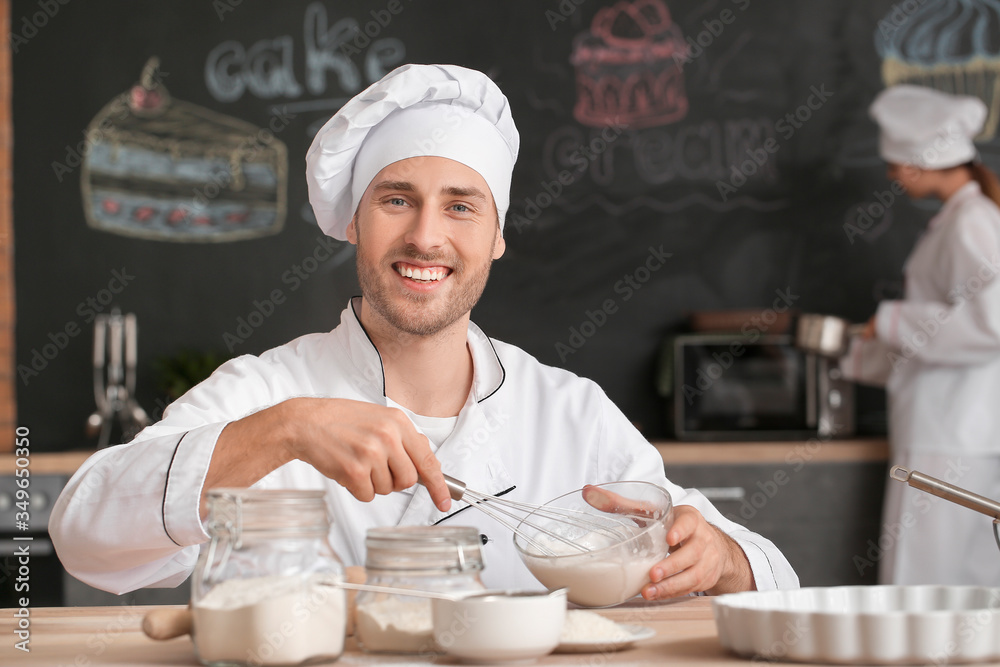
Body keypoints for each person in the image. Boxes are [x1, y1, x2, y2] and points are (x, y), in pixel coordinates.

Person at [50, 64, 798, 598]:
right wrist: (286, 431)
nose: (426, 236)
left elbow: (773, 574)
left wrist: (723, 558)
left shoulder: (568, 412)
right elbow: (82, 531)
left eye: (462, 206)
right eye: (397, 199)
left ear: (498, 235)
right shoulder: (271, 392)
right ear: (354, 222)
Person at [843, 84, 1000, 586]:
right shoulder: (966, 219)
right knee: (974, 584)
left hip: (947, 435)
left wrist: (889, 321)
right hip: (964, 432)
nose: (892, 174)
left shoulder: (971, 223)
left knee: (920, 582)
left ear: (919, 163)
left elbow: (992, 322)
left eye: (895, 163)